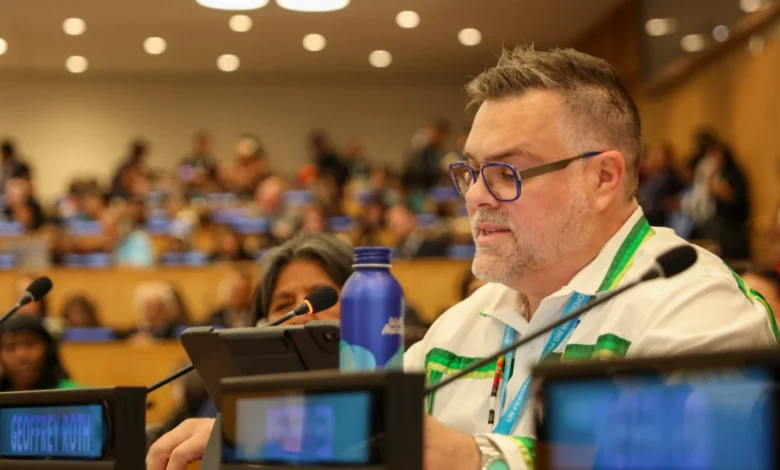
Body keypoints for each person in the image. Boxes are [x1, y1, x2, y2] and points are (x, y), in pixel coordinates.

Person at [146, 46, 777, 470]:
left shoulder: (695, 303)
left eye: (507, 172)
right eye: (471, 171)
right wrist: (248, 433)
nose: (475, 196)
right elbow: (364, 422)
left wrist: (473, 459)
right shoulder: (467, 322)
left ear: (604, 177)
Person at [0, 315, 79, 391]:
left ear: (49, 350)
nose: (22, 355)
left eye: (30, 344)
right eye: (10, 347)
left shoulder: (76, 395)